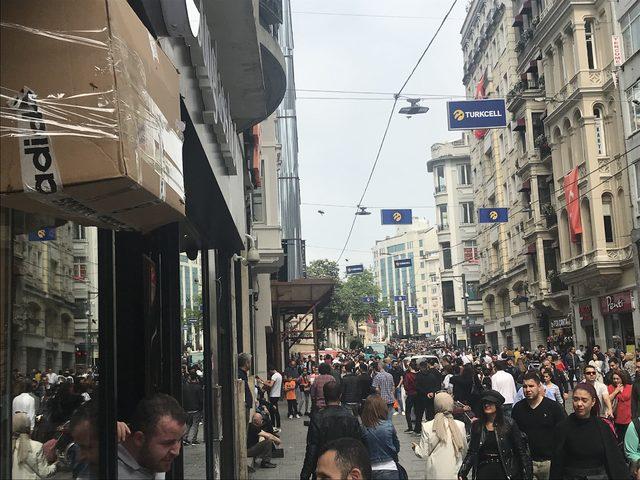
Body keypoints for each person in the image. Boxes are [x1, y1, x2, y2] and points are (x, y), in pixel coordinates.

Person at [549, 382, 628, 480]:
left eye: (584, 400)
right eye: (576, 399)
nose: (579, 404)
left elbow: (615, 460)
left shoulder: (603, 427)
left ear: (593, 401)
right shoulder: (562, 427)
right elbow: (557, 464)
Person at [458, 390, 531, 480]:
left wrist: (526, 474)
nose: (486, 405)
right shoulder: (477, 426)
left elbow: (520, 451)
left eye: (490, 402)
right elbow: (472, 451)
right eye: (484, 402)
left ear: (497, 404)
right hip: (484, 470)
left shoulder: (509, 424)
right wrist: (463, 471)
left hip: (504, 470)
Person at [301, 381, 363, 480]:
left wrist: (305, 475)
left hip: (323, 468)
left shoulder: (317, 418)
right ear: (340, 395)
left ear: (324, 395)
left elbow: (312, 449)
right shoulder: (351, 418)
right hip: (345, 469)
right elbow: (358, 446)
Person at [119, 393, 187, 478]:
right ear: (139, 439)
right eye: (167, 443)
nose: (176, 452)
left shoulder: (154, 463)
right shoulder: (114, 472)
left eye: (180, 439)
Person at [512, 372, 565, 480]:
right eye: (525, 386)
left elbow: (563, 433)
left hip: (549, 462)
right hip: (527, 462)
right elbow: (514, 434)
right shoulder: (518, 408)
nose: (527, 389)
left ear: (539, 386)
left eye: (531, 386)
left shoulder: (553, 407)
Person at [412, 391, 467, 480]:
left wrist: (416, 448)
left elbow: (423, 453)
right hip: (455, 470)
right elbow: (464, 449)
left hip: (435, 472)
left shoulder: (427, 426)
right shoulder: (460, 425)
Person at [360, 395, 401, 479]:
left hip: (371, 469)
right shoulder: (389, 425)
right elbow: (397, 447)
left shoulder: (363, 428)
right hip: (390, 467)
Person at [12, 413, 58, 479]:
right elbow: (44, 473)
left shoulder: (7, 447)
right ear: (29, 427)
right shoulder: (37, 446)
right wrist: (55, 465)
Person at [413, 360, 442, 434]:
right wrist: (432, 392)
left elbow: (417, 387)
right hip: (430, 397)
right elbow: (437, 385)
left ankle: (417, 429)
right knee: (430, 414)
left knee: (419, 414)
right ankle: (431, 428)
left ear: (420, 367)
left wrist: (425, 393)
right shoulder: (432, 376)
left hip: (420, 397)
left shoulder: (418, 376)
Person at [608, 369, 632, 441]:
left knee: (627, 438)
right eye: (614, 379)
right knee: (618, 438)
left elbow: (627, 397)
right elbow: (608, 399)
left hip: (628, 417)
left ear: (622, 378)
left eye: (617, 378)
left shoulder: (629, 387)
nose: (615, 380)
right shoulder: (610, 387)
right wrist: (616, 391)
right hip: (616, 417)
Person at [237, 352, 253, 422]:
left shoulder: (243, 373)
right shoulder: (240, 374)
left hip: (246, 404)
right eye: (250, 362)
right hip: (244, 405)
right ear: (247, 363)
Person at [402, 360, 417, 433]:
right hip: (417, 394)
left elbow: (406, 386)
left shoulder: (408, 375)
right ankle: (417, 426)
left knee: (408, 411)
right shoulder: (418, 374)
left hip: (410, 394)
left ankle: (410, 427)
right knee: (417, 410)